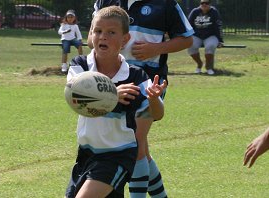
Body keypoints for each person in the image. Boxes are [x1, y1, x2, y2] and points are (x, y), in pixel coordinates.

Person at [89, 1, 194, 197]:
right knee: (141, 148)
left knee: (135, 143)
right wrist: (110, 45)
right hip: (116, 84)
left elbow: (187, 39)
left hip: (150, 84)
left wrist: (156, 48)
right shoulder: (105, 2)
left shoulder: (166, 4)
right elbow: (91, 37)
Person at [64, 6, 167, 198]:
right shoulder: (81, 65)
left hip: (118, 156)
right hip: (86, 155)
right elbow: (76, 98)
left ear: (125, 40)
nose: (103, 36)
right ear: (91, 34)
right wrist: (112, 94)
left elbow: (158, 114)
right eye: (98, 31)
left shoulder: (135, 76)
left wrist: (154, 99)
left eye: (111, 32)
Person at [187, 0, 224, 75]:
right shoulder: (195, 11)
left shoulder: (214, 12)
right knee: (191, 46)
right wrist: (187, 37)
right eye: (202, 3)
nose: (204, 4)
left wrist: (220, 40)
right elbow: (188, 25)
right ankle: (199, 64)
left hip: (211, 35)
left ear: (210, 4)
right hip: (197, 35)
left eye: (206, 3)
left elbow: (218, 26)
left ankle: (208, 67)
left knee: (210, 46)